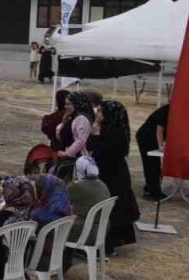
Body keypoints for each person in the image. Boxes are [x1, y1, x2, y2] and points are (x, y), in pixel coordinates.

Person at [90, 100, 139, 253]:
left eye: (100, 111)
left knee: (113, 210)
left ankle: (109, 244)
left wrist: (96, 133)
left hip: (113, 175)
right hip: (110, 172)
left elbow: (100, 151)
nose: (97, 114)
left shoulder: (115, 131)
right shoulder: (110, 127)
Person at [67, 155, 110, 243]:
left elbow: (62, 201)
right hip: (102, 231)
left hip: (85, 232)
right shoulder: (102, 184)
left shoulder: (76, 186)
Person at [136, 104, 170, 201]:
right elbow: (159, 129)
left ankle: (154, 188)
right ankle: (151, 191)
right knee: (150, 163)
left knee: (155, 164)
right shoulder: (166, 111)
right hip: (146, 136)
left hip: (154, 137)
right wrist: (160, 146)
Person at [55, 92, 94, 158]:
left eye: (68, 104)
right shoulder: (72, 118)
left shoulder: (82, 119)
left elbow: (81, 141)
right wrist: (63, 123)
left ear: (76, 104)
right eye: (65, 104)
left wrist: (67, 153)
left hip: (79, 157)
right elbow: (59, 137)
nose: (65, 107)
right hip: (71, 156)